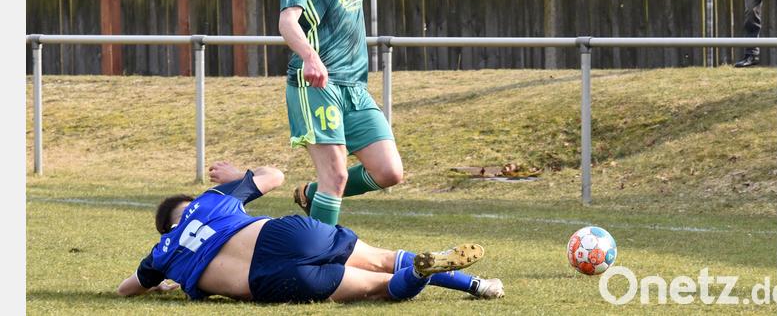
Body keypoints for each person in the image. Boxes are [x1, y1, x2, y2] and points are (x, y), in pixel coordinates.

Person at [116, 162, 505, 303]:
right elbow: (274, 175)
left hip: (269, 281)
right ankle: (478, 285)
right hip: (282, 234)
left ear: (167, 227)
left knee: (382, 288)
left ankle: (419, 274)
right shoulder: (209, 200)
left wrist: (160, 282)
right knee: (385, 259)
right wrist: (239, 176)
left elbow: (126, 289)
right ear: (190, 203)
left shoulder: (162, 253)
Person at [277, 0, 403, 225]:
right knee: (336, 176)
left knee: (389, 171)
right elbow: (287, 20)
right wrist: (310, 57)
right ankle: (318, 255)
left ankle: (311, 195)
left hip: (354, 87)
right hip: (318, 86)